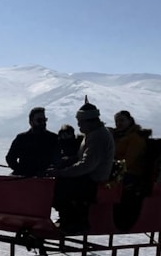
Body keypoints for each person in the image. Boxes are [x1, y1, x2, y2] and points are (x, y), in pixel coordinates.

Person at [47, 98, 115, 233]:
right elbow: (82, 158)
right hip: (88, 175)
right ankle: (67, 218)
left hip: (93, 179)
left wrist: (62, 172)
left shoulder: (98, 136)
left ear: (89, 121)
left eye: (80, 123)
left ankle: (76, 222)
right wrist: (66, 162)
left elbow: (87, 165)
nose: (79, 126)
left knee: (59, 186)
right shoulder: (92, 134)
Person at [112, 110, 152, 230]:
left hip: (130, 172)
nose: (119, 123)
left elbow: (129, 161)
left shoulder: (135, 138)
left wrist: (113, 167)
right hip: (118, 169)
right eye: (117, 121)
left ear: (130, 121)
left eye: (122, 120)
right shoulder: (118, 136)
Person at [5, 107, 58, 176]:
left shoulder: (53, 138)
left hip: (47, 179)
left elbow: (59, 159)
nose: (43, 123)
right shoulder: (21, 138)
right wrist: (21, 170)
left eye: (44, 120)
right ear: (31, 122)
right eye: (39, 120)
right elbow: (10, 158)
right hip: (25, 179)